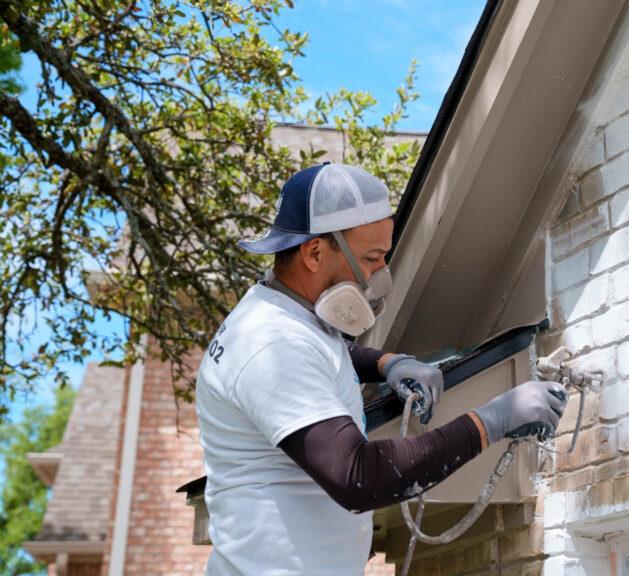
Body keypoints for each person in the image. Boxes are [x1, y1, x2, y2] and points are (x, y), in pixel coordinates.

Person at [195, 162, 567, 575]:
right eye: (371, 258)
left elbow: (323, 351)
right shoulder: (272, 345)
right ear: (315, 252)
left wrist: (388, 363)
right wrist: (491, 420)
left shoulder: (283, 314)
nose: (379, 275)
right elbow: (359, 478)